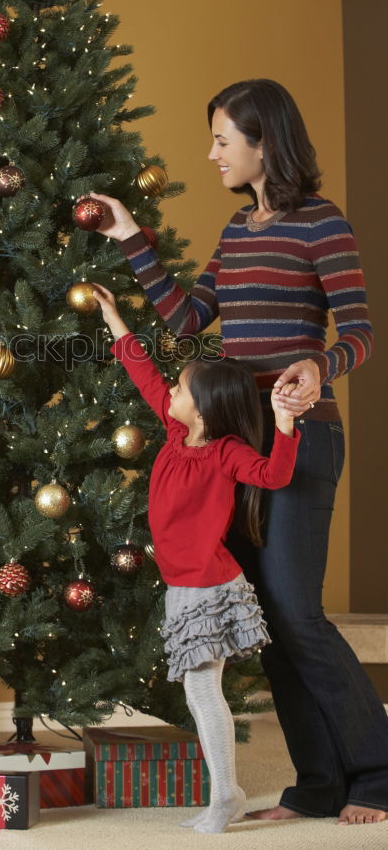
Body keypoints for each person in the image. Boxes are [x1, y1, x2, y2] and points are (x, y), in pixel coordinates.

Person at [88, 77, 388, 826]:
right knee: (270, 623)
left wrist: (320, 365)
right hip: (239, 445)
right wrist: (131, 236)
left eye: (224, 139)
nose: (213, 152)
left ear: (264, 143)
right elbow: (190, 318)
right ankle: (318, 784)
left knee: (298, 614)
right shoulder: (238, 230)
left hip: (302, 435)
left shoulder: (323, 225)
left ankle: (378, 775)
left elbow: (359, 332)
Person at [93, 282, 300, 833]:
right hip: (182, 584)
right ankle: (223, 795)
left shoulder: (225, 453)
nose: (172, 395)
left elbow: (274, 475)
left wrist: (283, 425)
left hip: (208, 587)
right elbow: (144, 375)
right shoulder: (173, 433)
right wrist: (114, 319)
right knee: (198, 692)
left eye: (181, 389)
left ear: (204, 408)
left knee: (203, 693)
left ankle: (225, 797)